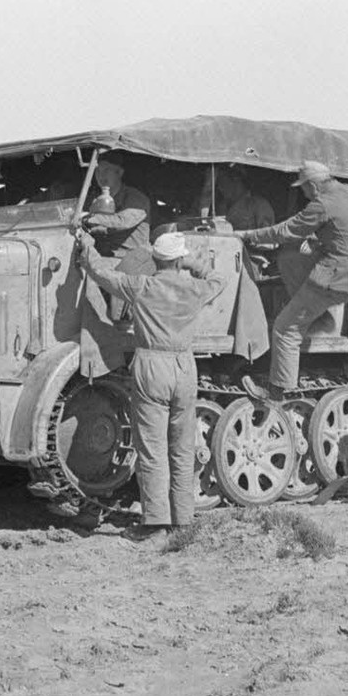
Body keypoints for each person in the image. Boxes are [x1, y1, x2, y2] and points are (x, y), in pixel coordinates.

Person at [76, 229, 228, 541]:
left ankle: (157, 521)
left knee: (152, 447)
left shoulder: (142, 286)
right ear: (178, 260)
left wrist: (87, 246)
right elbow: (218, 281)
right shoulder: (195, 288)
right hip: (184, 365)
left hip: (151, 365)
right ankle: (183, 518)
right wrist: (193, 265)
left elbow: (100, 273)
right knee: (182, 446)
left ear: (156, 259)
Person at [235, 160, 348, 401]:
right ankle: (319, 315)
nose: (304, 194)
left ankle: (276, 391)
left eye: (304, 189)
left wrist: (247, 235)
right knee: (290, 257)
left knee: (284, 328)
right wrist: (318, 242)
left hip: (335, 275)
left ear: (313, 185)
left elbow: (285, 231)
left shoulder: (323, 203)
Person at [82, 151, 151, 257]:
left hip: (131, 258)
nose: (101, 176)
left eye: (106, 170)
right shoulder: (95, 199)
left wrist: (89, 219)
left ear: (119, 173)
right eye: (97, 171)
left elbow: (122, 221)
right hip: (103, 256)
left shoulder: (136, 198)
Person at [219, 167, 275, 231]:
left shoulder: (259, 205)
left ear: (236, 179)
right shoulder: (222, 207)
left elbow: (265, 235)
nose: (220, 188)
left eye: (222, 182)